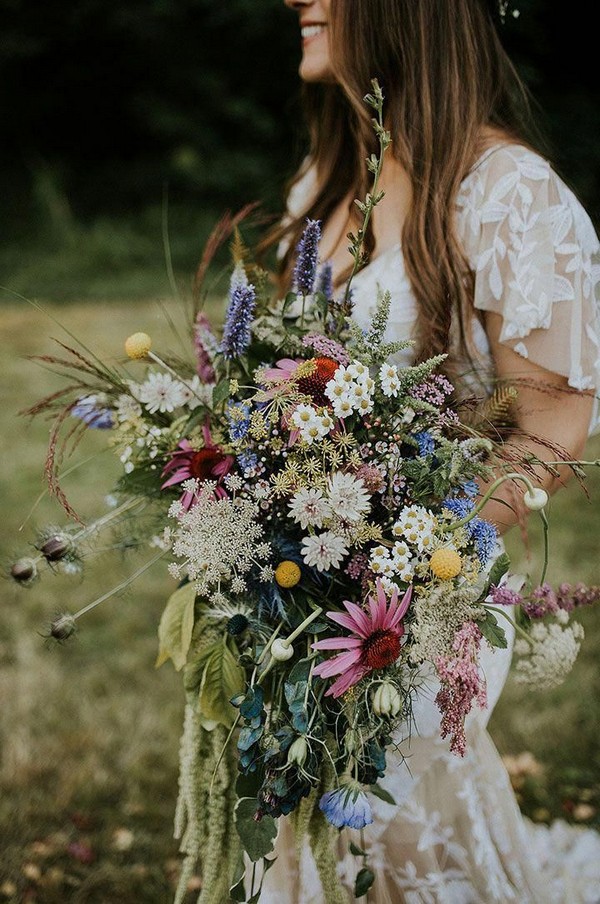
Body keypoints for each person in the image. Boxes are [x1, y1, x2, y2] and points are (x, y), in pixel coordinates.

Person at [258, 0, 600, 901]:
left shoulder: (509, 194)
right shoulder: (328, 181)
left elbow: (551, 419)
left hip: (424, 595)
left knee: (399, 827)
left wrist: (420, 573)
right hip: (301, 580)